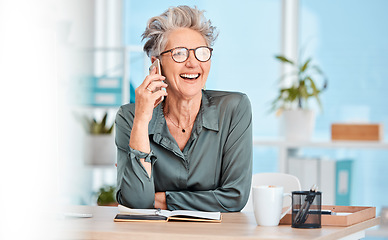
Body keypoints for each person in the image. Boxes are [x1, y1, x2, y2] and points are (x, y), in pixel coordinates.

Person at [115, 5, 252, 212]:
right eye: (179, 54)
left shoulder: (234, 109)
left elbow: (234, 198)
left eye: (201, 53)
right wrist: (142, 119)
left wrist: (161, 200)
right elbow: (136, 202)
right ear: (156, 65)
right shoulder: (130, 117)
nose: (193, 63)